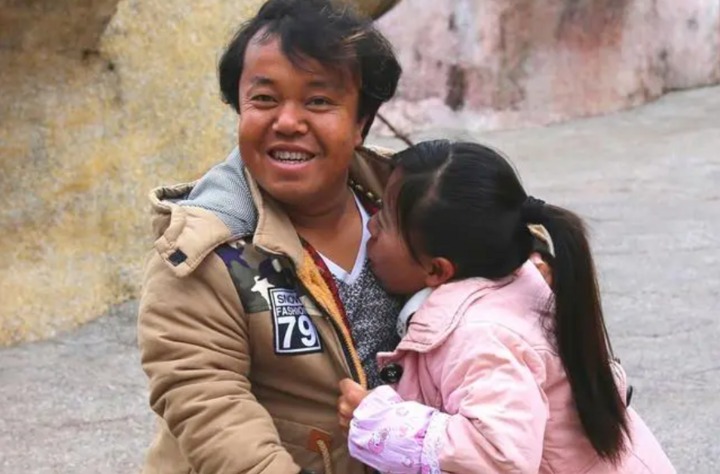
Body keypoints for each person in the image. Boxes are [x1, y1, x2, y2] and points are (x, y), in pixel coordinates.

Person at [137, 0, 404, 472]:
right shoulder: (202, 250)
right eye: (264, 99)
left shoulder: (413, 206)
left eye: (318, 101)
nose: (287, 122)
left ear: (361, 123)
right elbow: (212, 408)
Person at [337, 140, 676, 473]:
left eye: (386, 221)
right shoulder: (513, 285)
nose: (371, 225)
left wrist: (382, 422)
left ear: (437, 270)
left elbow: (501, 456)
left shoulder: (481, 338)